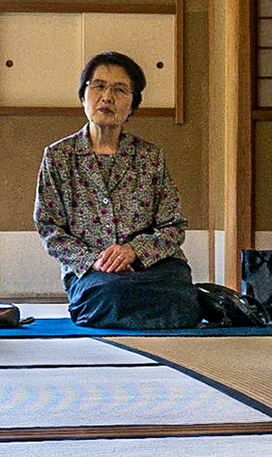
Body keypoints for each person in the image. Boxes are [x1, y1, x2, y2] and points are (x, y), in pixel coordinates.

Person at [35, 51, 201, 330]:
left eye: (120, 89)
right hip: (94, 271)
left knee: (180, 296)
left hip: (154, 267)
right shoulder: (58, 156)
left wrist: (133, 251)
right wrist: (95, 260)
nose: (107, 97)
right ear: (83, 96)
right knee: (105, 295)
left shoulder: (150, 157)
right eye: (98, 86)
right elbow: (49, 227)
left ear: (133, 104)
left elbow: (174, 226)